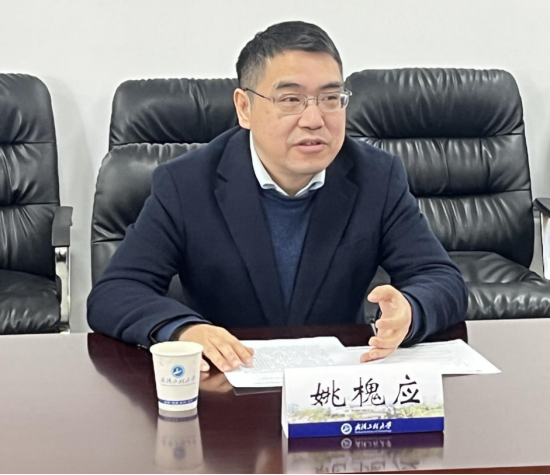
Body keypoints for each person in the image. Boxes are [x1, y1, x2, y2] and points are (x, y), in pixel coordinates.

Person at [88, 21, 468, 373]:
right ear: (244, 108)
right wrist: (183, 330)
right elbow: (116, 292)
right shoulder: (186, 183)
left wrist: (411, 311)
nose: (314, 119)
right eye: (290, 100)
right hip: (228, 388)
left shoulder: (376, 177)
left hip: (333, 387)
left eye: (330, 98)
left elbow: (441, 279)